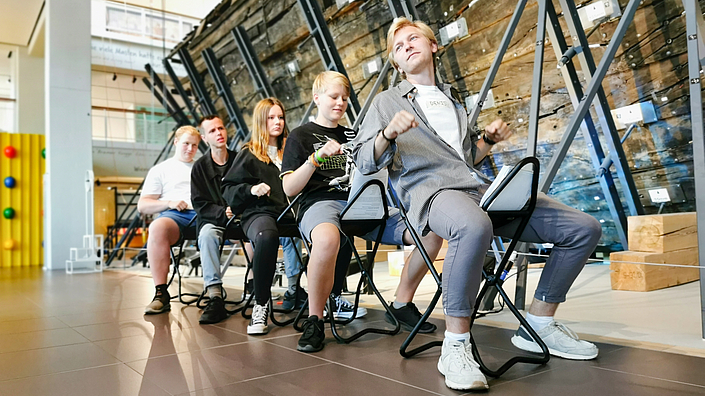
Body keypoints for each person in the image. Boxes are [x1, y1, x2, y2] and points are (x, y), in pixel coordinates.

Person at [352, 17, 602, 391]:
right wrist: (388, 133)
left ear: (433, 46)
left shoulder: (453, 100)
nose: (406, 47)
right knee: (472, 225)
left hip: (476, 189)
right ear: (397, 64)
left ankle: (539, 323)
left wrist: (486, 138)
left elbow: (465, 159)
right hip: (432, 195)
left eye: (413, 39)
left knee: (583, 228)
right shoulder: (387, 102)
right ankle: (455, 345)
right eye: (398, 47)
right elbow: (364, 161)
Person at [281, 71, 443, 353]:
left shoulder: (355, 135)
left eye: (344, 98)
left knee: (429, 230)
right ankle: (315, 319)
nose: (340, 102)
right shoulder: (300, 135)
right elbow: (289, 188)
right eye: (333, 97)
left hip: (364, 203)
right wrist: (315, 159)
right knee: (328, 239)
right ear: (317, 98)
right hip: (321, 204)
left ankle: (402, 303)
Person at [222, 98, 303, 335]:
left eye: (280, 117)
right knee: (267, 236)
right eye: (271, 117)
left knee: (331, 227)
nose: (277, 122)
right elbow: (228, 189)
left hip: (290, 212)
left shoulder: (291, 150)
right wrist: (251, 189)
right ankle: (261, 303)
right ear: (261, 121)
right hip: (260, 213)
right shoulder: (249, 153)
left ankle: (331, 298)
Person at [139, 125, 201, 315]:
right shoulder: (161, 170)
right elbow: (143, 205)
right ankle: (161, 293)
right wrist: (169, 203)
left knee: (245, 223)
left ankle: (253, 287)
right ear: (176, 142)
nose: (190, 149)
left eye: (194, 145)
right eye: (186, 144)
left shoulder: (202, 167)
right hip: (176, 216)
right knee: (157, 227)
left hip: (203, 214)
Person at [191, 115, 236, 325]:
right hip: (214, 220)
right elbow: (199, 204)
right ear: (204, 138)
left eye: (221, 128)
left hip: (240, 218)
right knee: (207, 234)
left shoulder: (240, 160)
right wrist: (223, 213)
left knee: (262, 230)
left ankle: (258, 288)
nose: (218, 133)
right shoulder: (199, 168)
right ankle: (215, 295)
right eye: (212, 131)